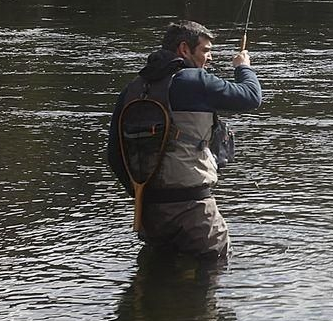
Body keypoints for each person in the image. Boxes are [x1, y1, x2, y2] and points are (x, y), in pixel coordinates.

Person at [107, 20, 262, 259]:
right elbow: (251, 97)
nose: (209, 58)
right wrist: (244, 68)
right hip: (195, 212)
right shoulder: (194, 80)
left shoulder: (133, 89)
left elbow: (115, 156)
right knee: (211, 274)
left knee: (158, 278)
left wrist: (141, 195)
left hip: (150, 213)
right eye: (205, 51)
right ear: (184, 49)